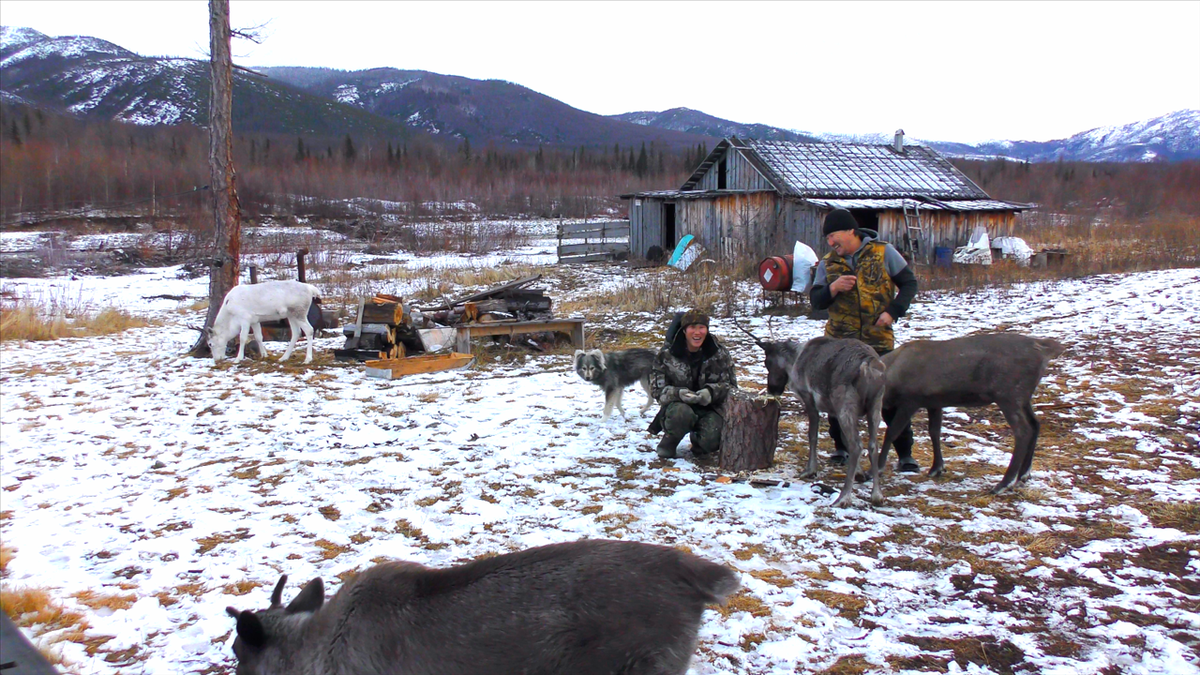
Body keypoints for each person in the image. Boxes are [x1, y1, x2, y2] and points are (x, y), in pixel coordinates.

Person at [810, 208, 921, 472]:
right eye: (827, 238)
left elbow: (909, 284)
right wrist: (833, 288)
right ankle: (841, 448)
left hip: (877, 341)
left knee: (889, 395)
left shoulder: (884, 253)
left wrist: (893, 312)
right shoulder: (827, 263)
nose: (830, 242)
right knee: (838, 396)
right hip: (839, 343)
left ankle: (905, 453)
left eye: (833, 236)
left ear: (851, 231)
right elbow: (816, 301)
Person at [647, 310, 738, 459]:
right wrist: (678, 394)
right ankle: (669, 442)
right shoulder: (667, 355)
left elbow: (732, 387)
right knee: (681, 414)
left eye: (701, 327)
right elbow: (657, 390)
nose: (697, 333)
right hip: (678, 407)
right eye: (692, 328)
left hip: (710, 408)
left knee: (711, 440)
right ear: (684, 330)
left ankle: (699, 442)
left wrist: (710, 393)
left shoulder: (719, 354)